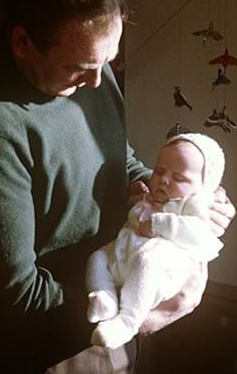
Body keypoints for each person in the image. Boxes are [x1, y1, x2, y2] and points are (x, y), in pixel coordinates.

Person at [0, 0, 235, 373]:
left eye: (109, 62)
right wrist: (142, 317)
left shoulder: (92, 74)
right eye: (80, 67)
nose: (99, 82)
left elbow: (117, 160)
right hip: (40, 356)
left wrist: (176, 193)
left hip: (110, 334)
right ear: (22, 42)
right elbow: (13, 299)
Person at [86, 133, 226, 350]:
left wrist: (159, 223)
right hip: (125, 256)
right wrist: (138, 197)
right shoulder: (153, 195)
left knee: (147, 260)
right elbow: (135, 215)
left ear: (204, 186)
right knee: (97, 257)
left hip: (159, 269)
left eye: (178, 178)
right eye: (159, 171)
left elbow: (200, 235)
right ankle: (105, 298)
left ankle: (127, 321)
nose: (163, 180)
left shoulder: (196, 206)